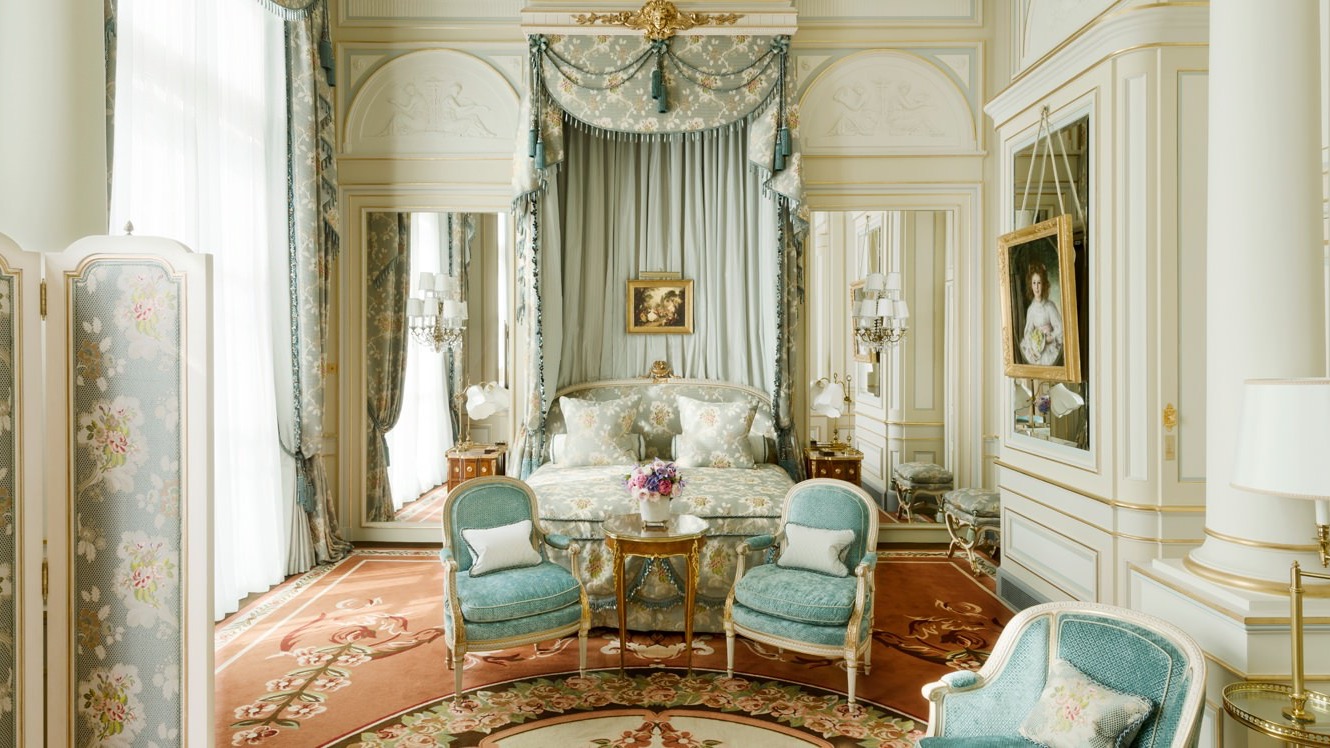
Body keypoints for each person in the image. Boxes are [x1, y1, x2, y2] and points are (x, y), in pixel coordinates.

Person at [1019, 261, 1063, 366]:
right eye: (1034, 283)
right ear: (1031, 285)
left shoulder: (1049, 306)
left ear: (1043, 285)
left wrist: (1050, 337)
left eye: (1039, 283)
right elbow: (1028, 331)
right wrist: (1034, 342)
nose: (1037, 287)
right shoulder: (1031, 309)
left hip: (1049, 346)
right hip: (1037, 348)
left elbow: (1060, 328)